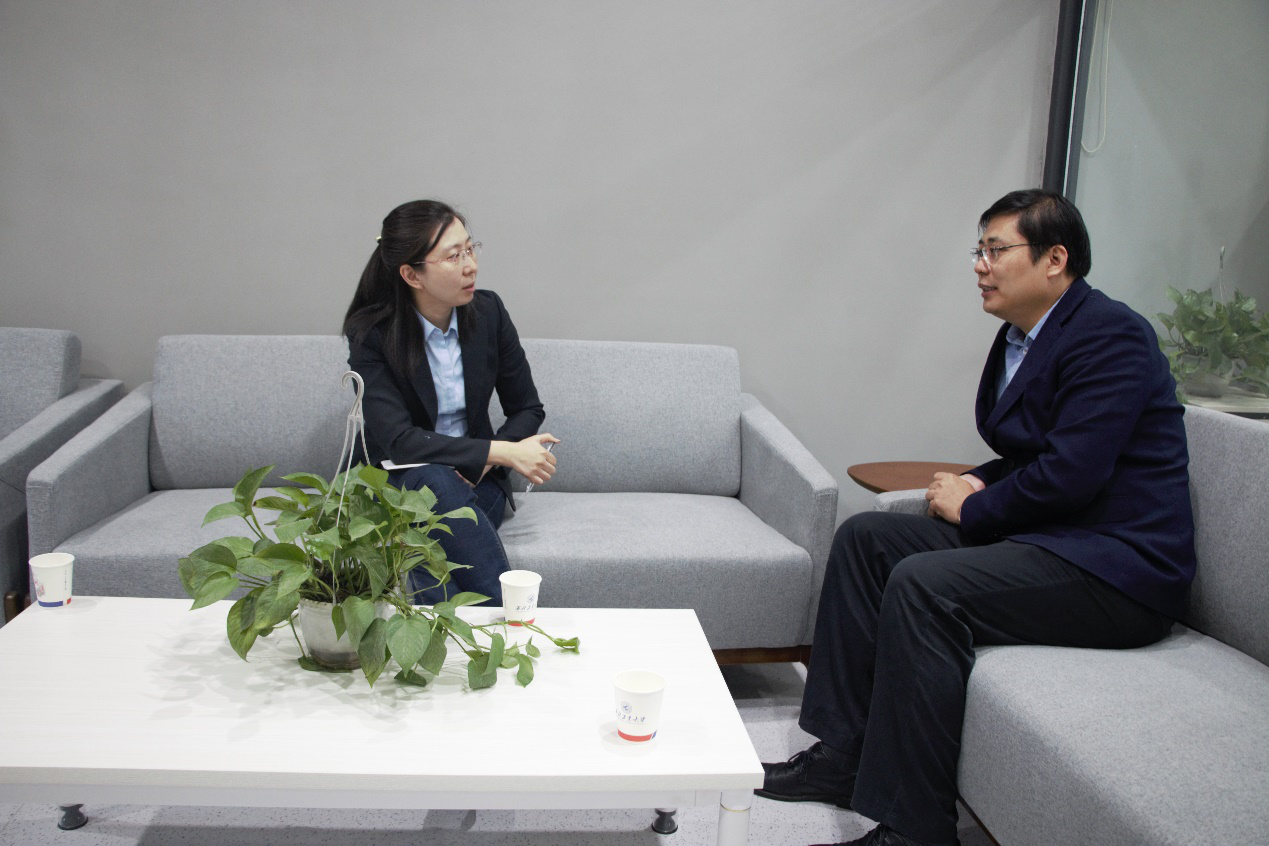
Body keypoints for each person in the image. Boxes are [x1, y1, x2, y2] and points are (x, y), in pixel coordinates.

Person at [758, 189, 1196, 846]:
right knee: (866, 539)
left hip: (1117, 568)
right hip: (1055, 539)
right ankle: (842, 758)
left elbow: (1073, 473)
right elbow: (1032, 452)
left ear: (1054, 259)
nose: (979, 265)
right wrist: (978, 479)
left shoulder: (1112, 336)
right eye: (979, 250)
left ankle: (916, 830)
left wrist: (977, 504)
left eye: (995, 250)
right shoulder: (1020, 336)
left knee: (924, 586)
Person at [343, 199, 558, 606]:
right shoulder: (372, 334)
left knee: (426, 543)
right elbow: (399, 441)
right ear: (412, 274)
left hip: (477, 479)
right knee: (436, 481)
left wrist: (482, 464)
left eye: (470, 249)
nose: (470, 266)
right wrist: (500, 452)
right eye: (453, 256)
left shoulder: (489, 313)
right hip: (396, 481)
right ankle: (514, 619)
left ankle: (453, 637)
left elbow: (527, 408)